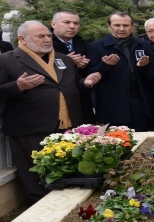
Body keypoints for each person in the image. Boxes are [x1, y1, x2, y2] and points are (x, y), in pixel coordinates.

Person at [0, 21, 101, 204]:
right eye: (41, 36)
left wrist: (85, 83)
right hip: (30, 128)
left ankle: (68, 205)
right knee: (36, 173)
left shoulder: (63, 59)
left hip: (67, 124)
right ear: (22, 39)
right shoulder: (6, 60)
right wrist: (17, 86)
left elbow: (72, 85)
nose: (47, 40)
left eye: (48, 36)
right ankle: (39, 207)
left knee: (68, 168)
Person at [87, 12, 153, 130]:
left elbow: (151, 74)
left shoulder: (143, 45)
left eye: (126, 25)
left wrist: (142, 66)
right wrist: (106, 65)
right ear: (109, 26)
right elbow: (89, 74)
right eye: (117, 25)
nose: (122, 29)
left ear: (132, 26)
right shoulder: (96, 46)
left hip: (139, 102)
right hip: (112, 104)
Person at [50, 10, 95, 123]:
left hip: (81, 97)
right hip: (56, 99)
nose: (72, 26)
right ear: (53, 24)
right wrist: (67, 61)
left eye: (76, 23)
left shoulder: (82, 43)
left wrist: (82, 66)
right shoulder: (46, 43)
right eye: (66, 22)